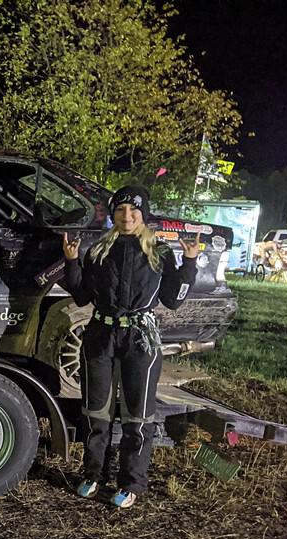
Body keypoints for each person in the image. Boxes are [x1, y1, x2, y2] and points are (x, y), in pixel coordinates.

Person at [61, 185, 200, 509]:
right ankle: (94, 475)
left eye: (133, 210)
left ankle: (131, 483)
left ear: (144, 215)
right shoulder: (98, 251)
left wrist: (189, 264)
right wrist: (71, 262)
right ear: (112, 215)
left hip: (140, 339)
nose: (127, 216)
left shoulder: (160, 253)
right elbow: (82, 295)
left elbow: (173, 300)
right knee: (97, 412)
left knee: (137, 416)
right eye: (120, 210)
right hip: (100, 336)